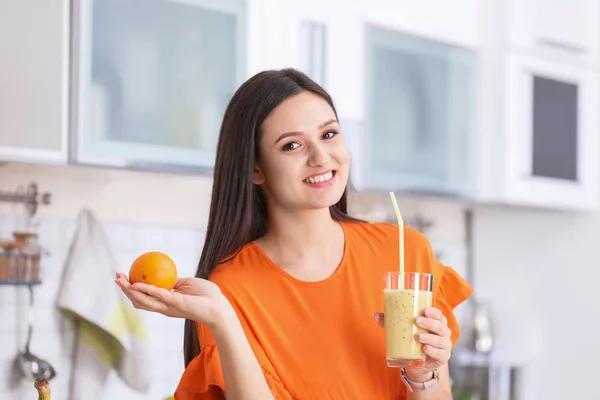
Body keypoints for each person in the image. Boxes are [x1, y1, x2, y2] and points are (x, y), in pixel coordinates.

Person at [116, 68, 473, 400]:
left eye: (329, 134)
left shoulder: (404, 253)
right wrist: (223, 321)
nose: (321, 157)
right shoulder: (230, 290)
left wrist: (422, 376)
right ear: (255, 168)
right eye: (292, 145)